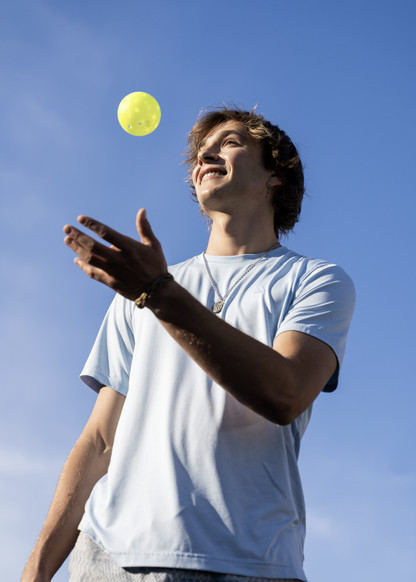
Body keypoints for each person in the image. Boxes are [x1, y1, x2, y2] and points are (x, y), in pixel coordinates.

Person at [21, 105, 355, 582]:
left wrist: (159, 295)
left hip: (250, 562)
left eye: (231, 142)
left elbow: (285, 393)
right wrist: (34, 572)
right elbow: (99, 440)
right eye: (201, 150)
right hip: (110, 560)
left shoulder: (316, 280)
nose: (206, 154)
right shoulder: (144, 285)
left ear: (276, 176)